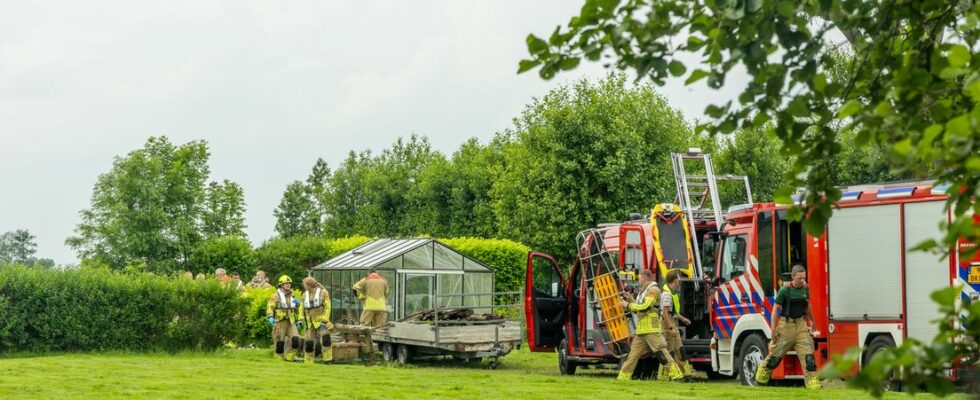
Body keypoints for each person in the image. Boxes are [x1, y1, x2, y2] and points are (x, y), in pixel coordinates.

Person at [756, 264, 821, 389]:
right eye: (799, 278)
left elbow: (807, 306)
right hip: (786, 326)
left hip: (801, 325)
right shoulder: (784, 290)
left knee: (808, 355)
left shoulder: (806, 288)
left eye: (804, 278)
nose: (802, 281)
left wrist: (813, 322)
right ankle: (762, 375)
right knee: (775, 355)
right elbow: (775, 310)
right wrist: (773, 330)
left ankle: (812, 381)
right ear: (793, 277)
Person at [616, 269, 683, 381]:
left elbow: (645, 307)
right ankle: (623, 377)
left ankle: (677, 375)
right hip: (641, 330)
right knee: (632, 356)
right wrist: (630, 299)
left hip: (651, 329)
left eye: (639, 278)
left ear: (645, 278)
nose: (638, 280)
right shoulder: (644, 291)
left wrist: (627, 304)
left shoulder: (654, 290)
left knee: (662, 353)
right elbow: (639, 307)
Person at [661, 270, 693, 379]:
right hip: (668, 324)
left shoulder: (671, 293)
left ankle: (686, 375)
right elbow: (665, 313)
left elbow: (672, 312)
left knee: (679, 350)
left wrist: (683, 319)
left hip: (672, 322)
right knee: (670, 351)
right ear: (675, 280)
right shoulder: (667, 295)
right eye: (678, 279)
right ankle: (670, 375)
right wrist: (671, 328)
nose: (679, 281)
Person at [267, 275, 302, 361]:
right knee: (280, 343)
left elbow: (299, 309)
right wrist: (270, 317)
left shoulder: (292, 296)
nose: (288, 285)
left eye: (289, 284)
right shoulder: (275, 296)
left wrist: (298, 305)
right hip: (280, 322)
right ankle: (279, 360)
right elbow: (270, 307)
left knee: (296, 339)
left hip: (291, 321)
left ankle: (289, 358)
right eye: (286, 284)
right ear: (281, 285)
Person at [300, 277, 333, 363]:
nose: (304, 286)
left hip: (322, 321)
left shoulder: (323, 292)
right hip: (309, 322)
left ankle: (328, 360)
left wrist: (324, 320)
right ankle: (308, 361)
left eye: (305, 285)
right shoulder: (304, 295)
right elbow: (301, 308)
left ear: (309, 285)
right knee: (309, 343)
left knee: (326, 340)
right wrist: (300, 319)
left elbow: (328, 306)